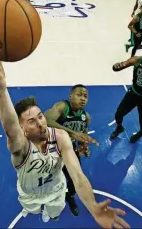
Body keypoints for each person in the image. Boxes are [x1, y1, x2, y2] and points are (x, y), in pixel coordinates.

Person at [0, 51, 130, 228]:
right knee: (33, 209)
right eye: (32, 121)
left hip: (56, 190)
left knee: (53, 213)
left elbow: (77, 175)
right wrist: (1, 90)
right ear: (23, 130)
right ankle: (35, 210)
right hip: (30, 193)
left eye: (40, 116)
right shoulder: (21, 146)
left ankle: (50, 214)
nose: (40, 123)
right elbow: (10, 128)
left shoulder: (60, 136)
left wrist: (93, 207)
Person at [44, 84, 98, 217]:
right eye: (79, 95)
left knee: (75, 180)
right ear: (70, 96)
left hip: (71, 151)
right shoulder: (63, 107)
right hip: (53, 150)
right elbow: (46, 120)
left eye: (85, 96)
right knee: (52, 180)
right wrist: (72, 133)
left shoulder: (86, 117)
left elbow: (82, 136)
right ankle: (51, 205)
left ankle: (68, 196)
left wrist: (84, 147)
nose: (83, 99)